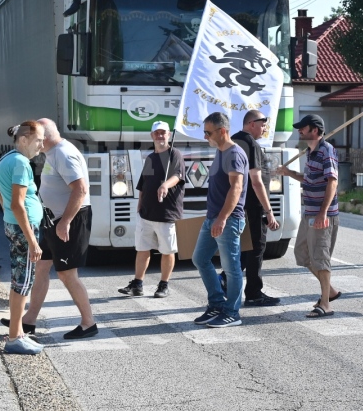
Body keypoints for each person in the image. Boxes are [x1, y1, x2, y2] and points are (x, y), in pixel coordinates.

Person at [23, 118, 97, 340]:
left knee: (67, 274)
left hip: (68, 220)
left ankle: (88, 323)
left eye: (35, 136)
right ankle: (29, 321)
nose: (33, 141)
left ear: (43, 137)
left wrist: (65, 222)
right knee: (42, 267)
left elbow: (81, 189)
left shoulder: (63, 153)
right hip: (52, 220)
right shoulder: (53, 153)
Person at [278, 114, 341, 318]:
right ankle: (330, 291)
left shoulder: (326, 151)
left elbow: (332, 182)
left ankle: (326, 304)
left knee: (321, 258)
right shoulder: (311, 152)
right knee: (303, 254)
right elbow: (310, 179)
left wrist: (323, 213)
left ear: (314, 130)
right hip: (310, 213)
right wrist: (289, 173)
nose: (299, 131)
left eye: (303, 128)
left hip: (322, 215)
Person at [191, 112, 248, 329]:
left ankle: (232, 312)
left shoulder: (234, 153)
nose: (205, 136)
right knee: (200, 258)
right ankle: (216, 304)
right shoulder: (220, 151)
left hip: (228, 220)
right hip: (213, 218)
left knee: (231, 268)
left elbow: (237, 188)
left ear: (222, 131)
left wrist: (222, 218)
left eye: (208, 132)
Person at [117, 121, 185, 299]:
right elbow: (144, 183)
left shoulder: (175, 154)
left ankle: (163, 285)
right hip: (146, 213)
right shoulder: (150, 157)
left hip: (166, 213)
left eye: (163, 133)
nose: (160, 136)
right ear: (152, 136)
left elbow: (177, 176)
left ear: (169, 135)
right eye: (157, 133)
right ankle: (137, 284)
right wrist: (140, 202)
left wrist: (165, 185)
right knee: (142, 248)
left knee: (167, 251)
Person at [221, 110, 282, 306]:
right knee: (256, 247)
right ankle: (254, 292)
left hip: (236, 203)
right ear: (251, 123)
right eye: (263, 124)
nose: (265, 128)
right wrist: (269, 211)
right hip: (253, 205)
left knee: (242, 247)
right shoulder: (250, 144)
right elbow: (256, 182)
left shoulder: (232, 141)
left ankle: (224, 279)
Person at [0, 121, 46, 355]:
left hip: (14, 226)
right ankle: (15, 337)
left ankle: (18, 333)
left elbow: (2, 198)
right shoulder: (21, 163)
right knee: (23, 284)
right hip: (23, 229)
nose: (41, 145)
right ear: (24, 140)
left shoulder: (7, 159)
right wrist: (33, 241)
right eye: (38, 140)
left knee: (20, 282)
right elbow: (17, 204)